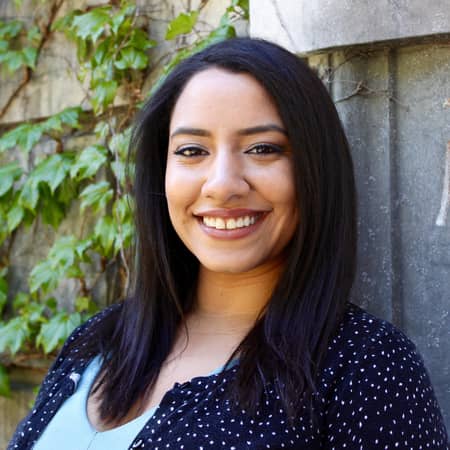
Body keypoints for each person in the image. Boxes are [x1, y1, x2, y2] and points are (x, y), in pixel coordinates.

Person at [8, 37, 449, 450]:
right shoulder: (98, 340)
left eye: (262, 149)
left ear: (316, 170)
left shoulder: (366, 364)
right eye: (191, 151)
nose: (221, 185)